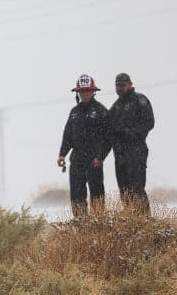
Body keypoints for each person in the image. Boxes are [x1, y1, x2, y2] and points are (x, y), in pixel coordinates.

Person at [57, 74, 111, 217]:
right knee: (76, 194)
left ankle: (98, 224)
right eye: (82, 91)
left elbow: (108, 138)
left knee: (97, 194)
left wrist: (100, 157)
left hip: (94, 160)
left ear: (93, 92)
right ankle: (80, 223)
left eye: (87, 91)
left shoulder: (101, 111)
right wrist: (62, 154)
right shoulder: (74, 112)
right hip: (77, 159)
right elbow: (67, 135)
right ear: (78, 93)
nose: (84, 94)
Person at [108, 72, 154, 214]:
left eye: (123, 85)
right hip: (120, 154)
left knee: (137, 188)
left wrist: (131, 132)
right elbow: (105, 124)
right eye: (117, 86)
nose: (120, 88)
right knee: (124, 191)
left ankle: (146, 221)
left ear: (130, 85)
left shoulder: (140, 100)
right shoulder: (116, 106)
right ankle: (130, 222)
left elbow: (149, 122)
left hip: (136, 151)